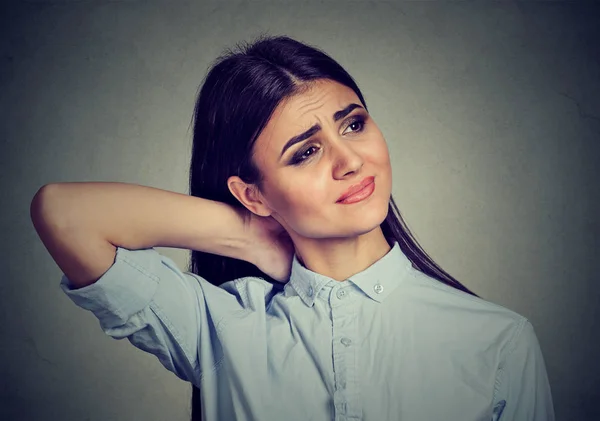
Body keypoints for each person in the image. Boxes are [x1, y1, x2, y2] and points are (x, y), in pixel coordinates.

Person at [30, 34, 555, 421]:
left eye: (354, 123)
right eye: (306, 152)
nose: (350, 160)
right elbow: (65, 215)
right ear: (251, 193)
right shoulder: (221, 327)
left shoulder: (498, 342)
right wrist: (244, 233)